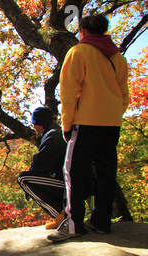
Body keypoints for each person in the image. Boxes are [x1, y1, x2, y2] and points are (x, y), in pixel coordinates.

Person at [48, 14, 129, 242]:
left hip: (85, 124)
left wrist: (67, 124)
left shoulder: (78, 52)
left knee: (74, 171)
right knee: (106, 172)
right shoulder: (118, 58)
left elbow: (68, 92)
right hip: (112, 125)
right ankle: (102, 222)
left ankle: (74, 225)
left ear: (83, 30)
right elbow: (124, 96)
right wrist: (112, 114)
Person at [18, 107, 67, 229]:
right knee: (29, 179)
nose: (33, 126)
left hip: (68, 184)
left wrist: (29, 186)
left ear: (39, 123)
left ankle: (61, 215)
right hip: (72, 181)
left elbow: (39, 163)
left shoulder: (53, 136)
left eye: (34, 123)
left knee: (23, 179)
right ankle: (63, 213)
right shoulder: (57, 132)